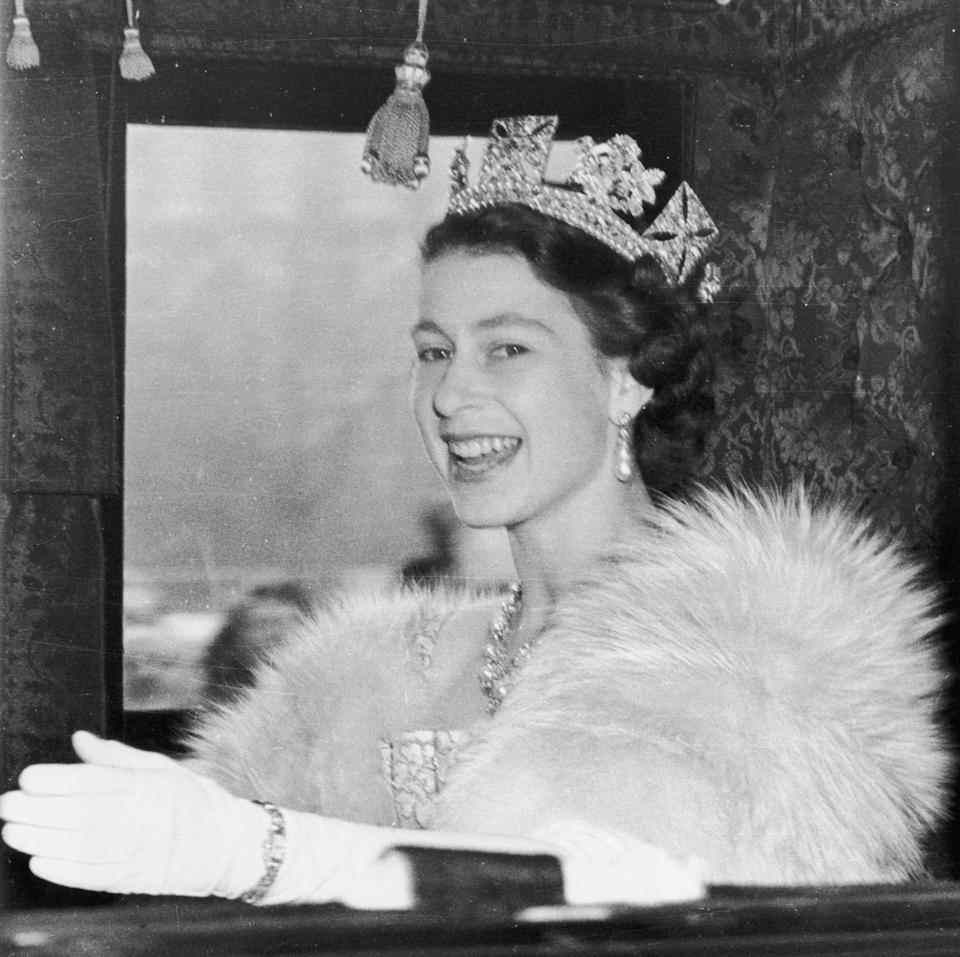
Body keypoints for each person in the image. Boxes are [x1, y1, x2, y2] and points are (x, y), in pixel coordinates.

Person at [0, 116, 948, 908]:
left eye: (508, 350)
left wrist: (262, 853)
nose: (449, 394)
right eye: (432, 349)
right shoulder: (361, 674)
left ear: (626, 381)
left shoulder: (773, 655)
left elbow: (643, 902)